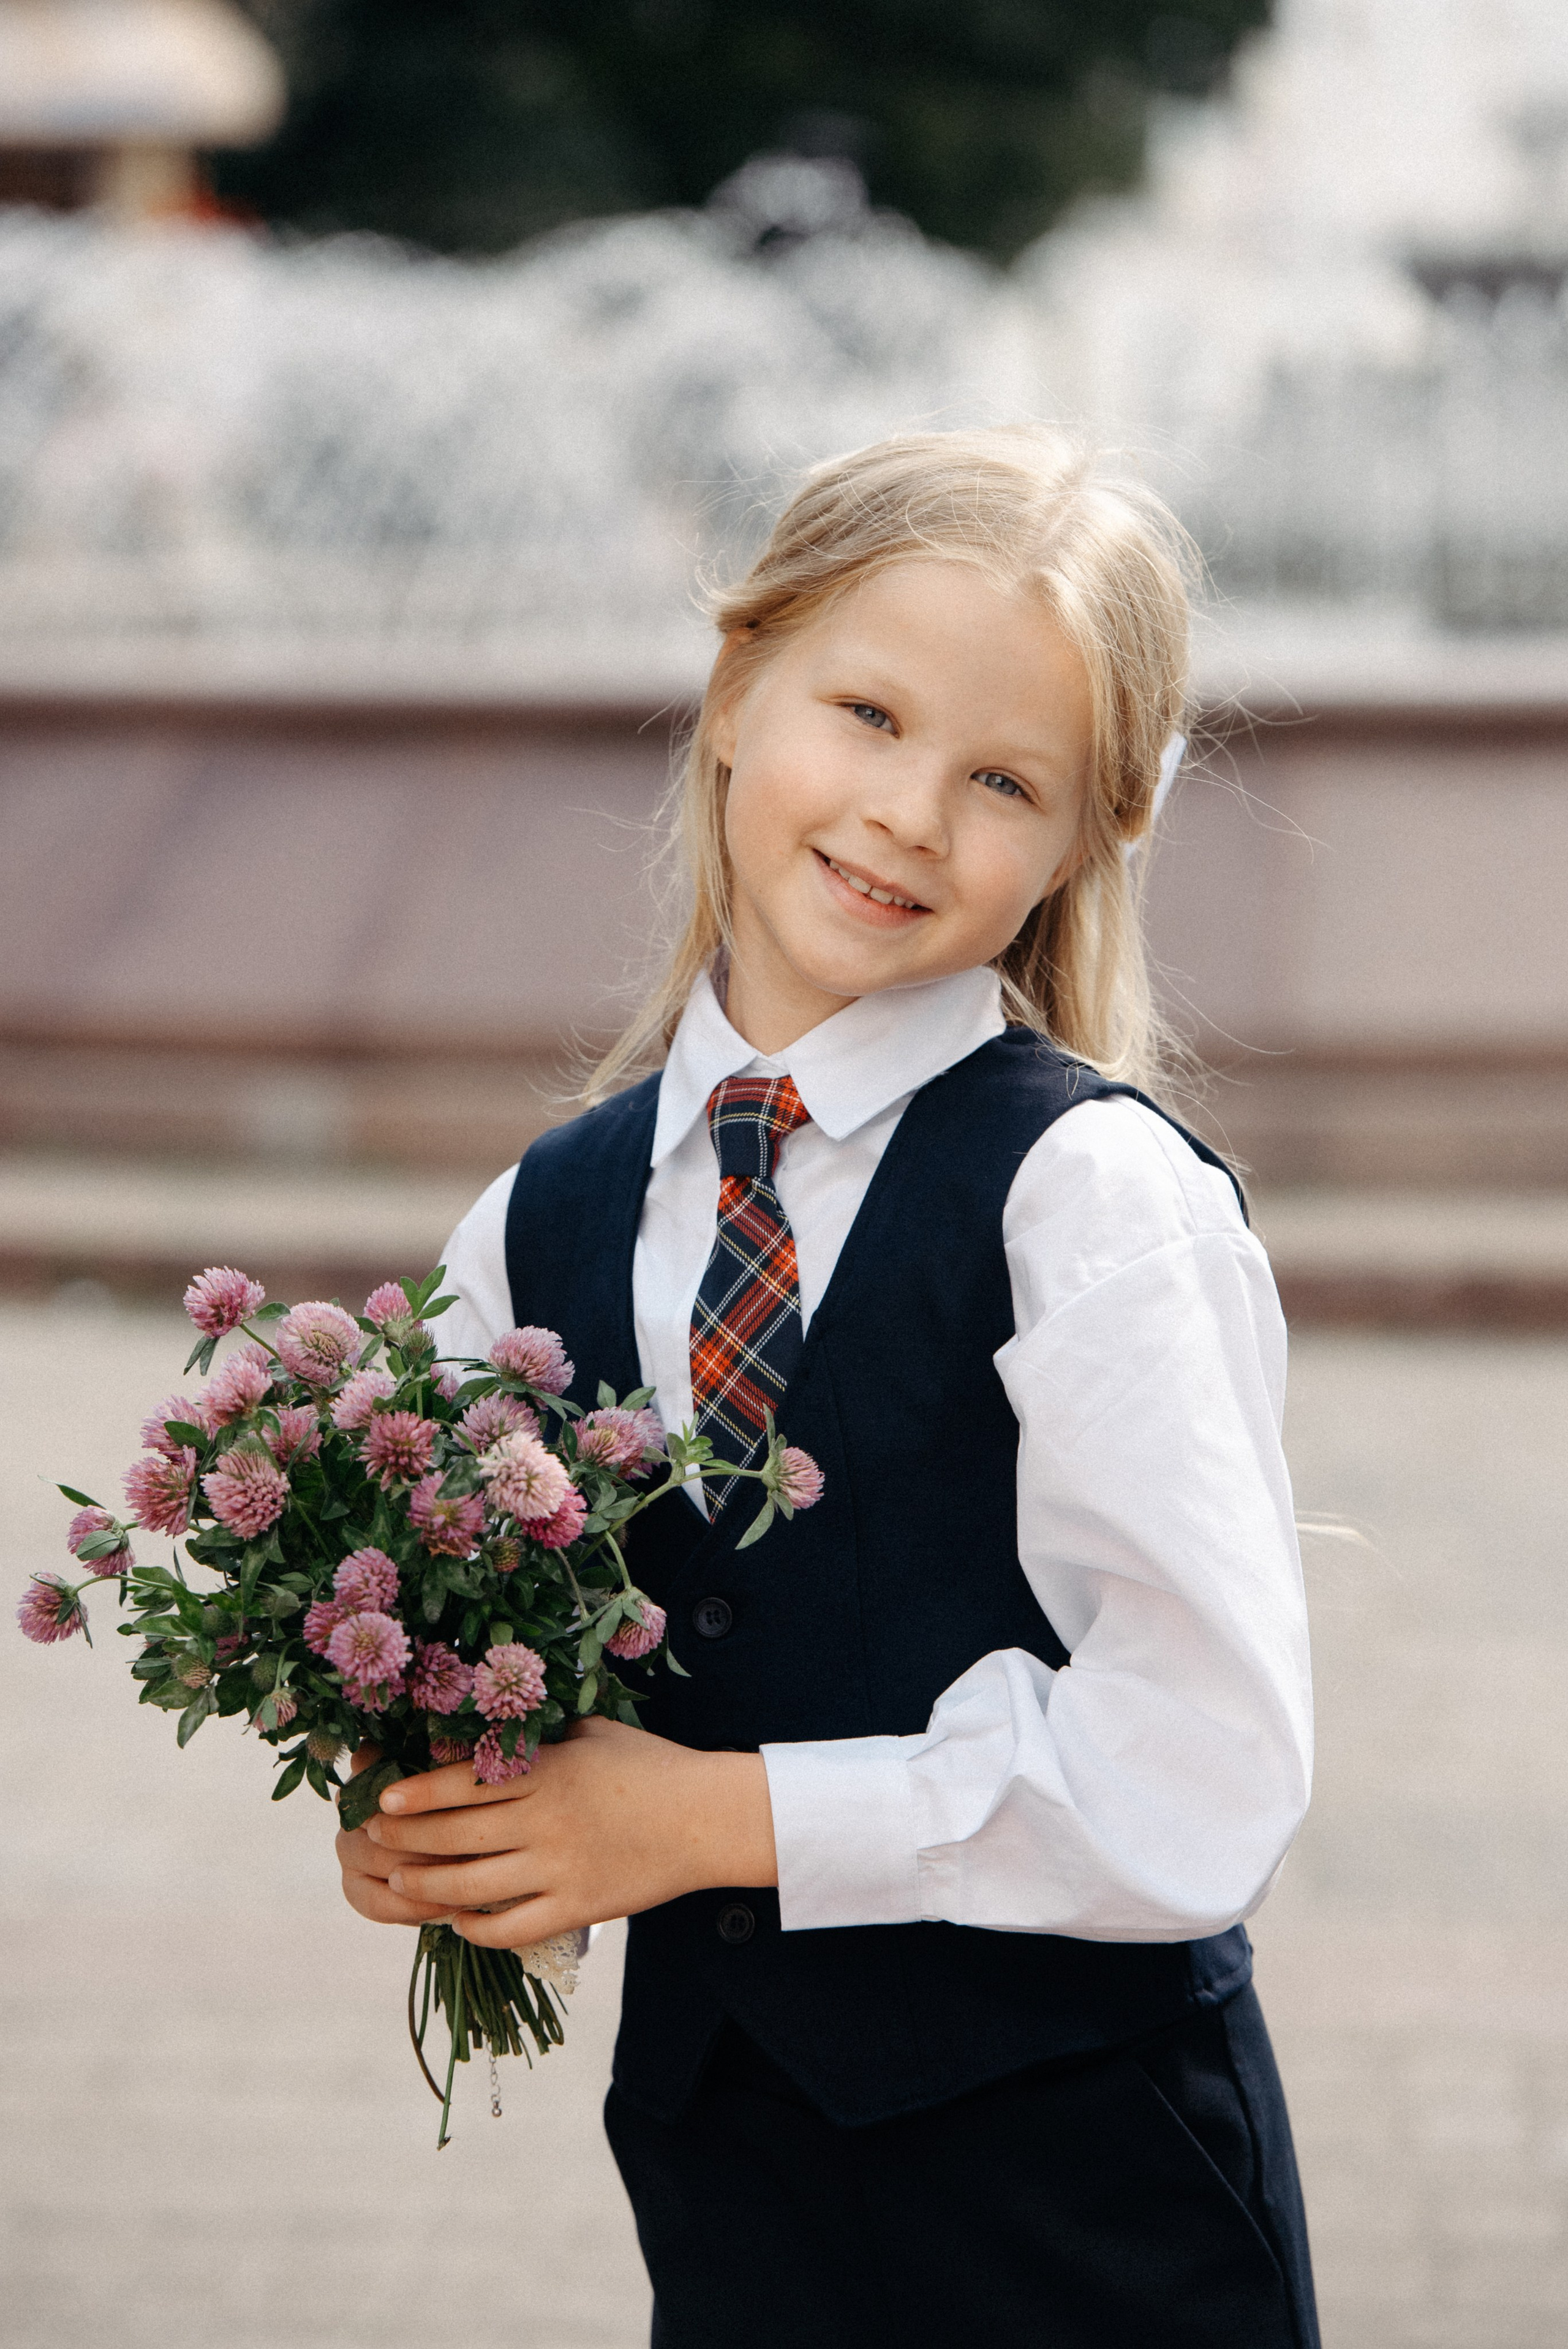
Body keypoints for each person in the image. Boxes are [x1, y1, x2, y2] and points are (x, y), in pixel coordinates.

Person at [336, 426, 1319, 2348]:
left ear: (1089, 836)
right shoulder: (541, 1219)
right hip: (736, 2206)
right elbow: (494, 1655)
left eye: (1001, 779)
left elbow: (1205, 1767)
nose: (906, 815)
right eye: (863, 713)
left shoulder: (1090, 1201)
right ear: (731, 691)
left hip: (1095, 2224)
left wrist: (712, 1819)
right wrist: (450, 1819)